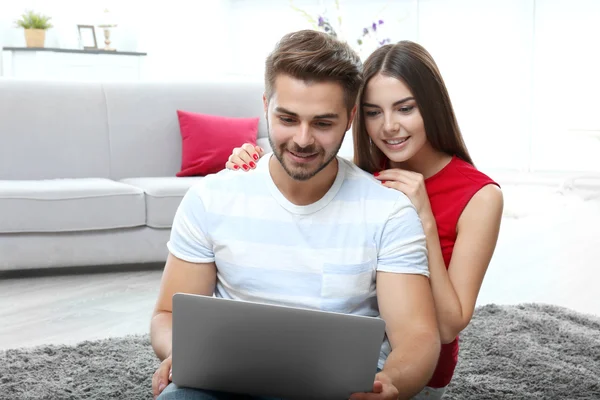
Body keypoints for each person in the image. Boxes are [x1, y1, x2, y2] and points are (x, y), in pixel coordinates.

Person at [150, 30, 441, 400]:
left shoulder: (388, 210)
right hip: (224, 383)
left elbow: (418, 336)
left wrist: (393, 384)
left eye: (322, 123)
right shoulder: (210, 198)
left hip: (338, 391)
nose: (303, 140)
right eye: (287, 118)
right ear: (265, 105)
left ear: (350, 117)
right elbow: (166, 315)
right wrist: (180, 353)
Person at [225, 40, 504, 399]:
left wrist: (424, 220)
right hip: (340, 358)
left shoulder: (481, 196)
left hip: (414, 373)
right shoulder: (362, 174)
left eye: (405, 109)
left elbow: (450, 326)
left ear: (432, 107)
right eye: (374, 112)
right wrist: (258, 162)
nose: (389, 127)